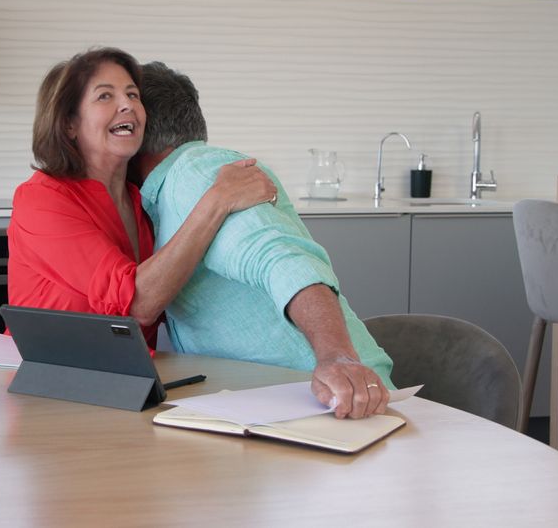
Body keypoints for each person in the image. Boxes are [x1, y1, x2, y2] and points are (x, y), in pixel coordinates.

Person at [131, 61, 394, 419]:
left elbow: (284, 261)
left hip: (335, 402)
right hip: (285, 406)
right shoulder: (168, 192)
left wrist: (337, 357)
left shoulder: (192, 173)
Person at [7, 48, 276, 350]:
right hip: (50, 375)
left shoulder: (143, 199)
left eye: (133, 94)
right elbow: (138, 304)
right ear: (69, 123)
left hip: (132, 375)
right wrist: (218, 201)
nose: (127, 105)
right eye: (105, 96)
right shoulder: (42, 200)